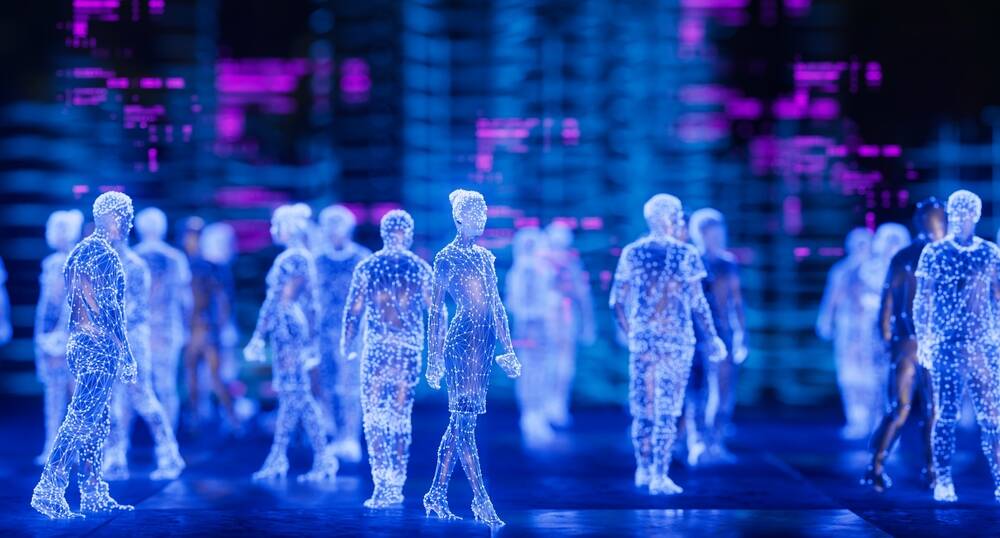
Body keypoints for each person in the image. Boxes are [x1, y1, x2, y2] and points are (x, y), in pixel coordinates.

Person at [31, 191, 139, 519]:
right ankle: (49, 489)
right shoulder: (104, 255)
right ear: (113, 217)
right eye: (126, 217)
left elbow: (73, 304)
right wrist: (126, 353)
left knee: (97, 420)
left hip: (80, 343)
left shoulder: (78, 252)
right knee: (81, 419)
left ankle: (92, 491)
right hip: (97, 347)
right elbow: (109, 310)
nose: (129, 224)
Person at [610, 194, 726, 495]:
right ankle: (658, 474)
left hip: (647, 341)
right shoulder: (686, 254)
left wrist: (632, 333)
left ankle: (645, 468)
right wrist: (712, 337)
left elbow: (616, 302)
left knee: (644, 406)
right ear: (667, 218)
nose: (679, 221)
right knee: (667, 408)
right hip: (676, 341)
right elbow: (698, 303)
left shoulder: (633, 253)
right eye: (676, 216)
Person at [423, 189, 521, 527]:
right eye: (475, 213)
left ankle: (436, 493)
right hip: (462, 344)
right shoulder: (445, 258)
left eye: (484, 213)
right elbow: (436, 311)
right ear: (459, 218)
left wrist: (508, 348)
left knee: (462, 423)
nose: (481, 219)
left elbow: (497, 306)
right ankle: (481, 498)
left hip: (484, 346)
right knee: (464, 424)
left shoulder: (484, 258)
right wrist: (433, 360)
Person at [341, 210, 438, 508]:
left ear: (384, 233)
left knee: (375, 417)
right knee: (399, 417)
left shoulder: (368, 267)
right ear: (408, 234)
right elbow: (438, 314)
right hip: (407, 351)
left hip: (378, 350)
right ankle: (394, 482)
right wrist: (435, 356)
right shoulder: (419, 268)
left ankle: (383, 483)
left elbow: (353, 311)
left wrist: (347, 343)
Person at [914, 190, 1000, 503]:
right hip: (947, 345)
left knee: (992, 418)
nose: (960, 218)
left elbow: (998, 297)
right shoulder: (935, 252)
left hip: (983, 346)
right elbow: (922, 299)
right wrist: (924, 339)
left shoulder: (989, 253)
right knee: (946, 414)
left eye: (966, 213)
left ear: (976, 216)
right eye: (955, 213)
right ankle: (943, 479)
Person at [244, 204, 339, 482]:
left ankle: (320, 457)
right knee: (291, 397)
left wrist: (258, 335)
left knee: (298, 395)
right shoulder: (300, 257)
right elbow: (309, 304)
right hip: (290, 328)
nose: (274, 230)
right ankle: (281, 457)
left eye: (277, 225)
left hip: (287, 329)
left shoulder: (293, 258)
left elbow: (277, 300)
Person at [864, 198, 946, 492]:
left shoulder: (903, 256)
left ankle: (876, 466)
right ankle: (933, 470)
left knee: (899, 408)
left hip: (904, 345)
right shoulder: (944, 255)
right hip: (931, 344)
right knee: (933, 411)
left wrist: (888, 340)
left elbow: (886, 304)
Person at [102, 218, 185, 481]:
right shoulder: (119, 262)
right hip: (144, 336)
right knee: (123, 398)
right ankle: (118, 456)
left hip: (136, 340)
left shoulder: (136, 263)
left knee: (142, 396)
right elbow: (185, 300)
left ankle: (168, 452)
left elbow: (136, 309)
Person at [688, 208, 747, 461]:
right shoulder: (690, 261)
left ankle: (715, 441)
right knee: (696, 391)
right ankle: (697, 442)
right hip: (695, 336)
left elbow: (736, 301)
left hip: (722, 334)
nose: (717, 238)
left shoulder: (727, 263)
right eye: (712, 233)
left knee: (722, 390)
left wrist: (741, 333)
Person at [315, 204, 371, 462]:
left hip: (354, 334)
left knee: (350, 386)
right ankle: (335, 436)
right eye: (329, 227)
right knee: (328, 385)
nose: (333, 232)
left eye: (337, 227)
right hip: (323, 333)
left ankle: (349, 437)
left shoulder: (362, 258)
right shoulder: (317, 261)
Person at [816, 227, 878, 439]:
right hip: (848, 328)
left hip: (870, 330)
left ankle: (873, 419)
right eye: (857, 244)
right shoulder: (841, 271)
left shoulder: (876, 270)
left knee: (870, 375)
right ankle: (856, 419)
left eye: (864, 244)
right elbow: (832, 298)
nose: (860, 249)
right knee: (849, 375)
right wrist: (826, 320)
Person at [33, 210, 84, 465]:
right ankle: (52, 446)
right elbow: (45, 306)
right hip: (50, 337)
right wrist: (43, 339)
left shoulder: (76, 261)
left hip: (70, 338)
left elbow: (73, 304)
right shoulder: (51, 263)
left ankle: (77, 447)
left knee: (75, 395)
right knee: (53, 396)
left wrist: (63, 337)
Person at [134, 207, 192, 430]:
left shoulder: (131, 257)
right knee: (166, 386)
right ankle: (167, 439)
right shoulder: (175, 258)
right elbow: (186, 300)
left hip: (138, 332)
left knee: (134, 387)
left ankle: (124, 442)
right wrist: (186, 329)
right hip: (168, 331)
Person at [183, 219, 239, 430]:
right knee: (197, 375)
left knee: (213, 376)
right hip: (201, 327)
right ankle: (200, 419)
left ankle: (229, 420)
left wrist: (218, 325)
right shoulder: (199, 265)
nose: (191, 241)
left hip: (205, 328)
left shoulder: (205, 267)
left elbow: (218, 298)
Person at [505, 227, 559, 445]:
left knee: (536, 370)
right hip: (532, 327)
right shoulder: (528, 270)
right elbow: (521, 303)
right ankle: (532, 415)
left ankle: (535, 414)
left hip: (536, 326)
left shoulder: (530, 269)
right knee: (532, 372)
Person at [544, 222, 596, 427]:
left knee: (564, 363)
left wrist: (588, 324)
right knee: (549, 361)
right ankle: (545, 405)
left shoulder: (571, 264)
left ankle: (558, 404)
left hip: (564, 317)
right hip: (548, 318)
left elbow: (582, 295)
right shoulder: (541, 263)